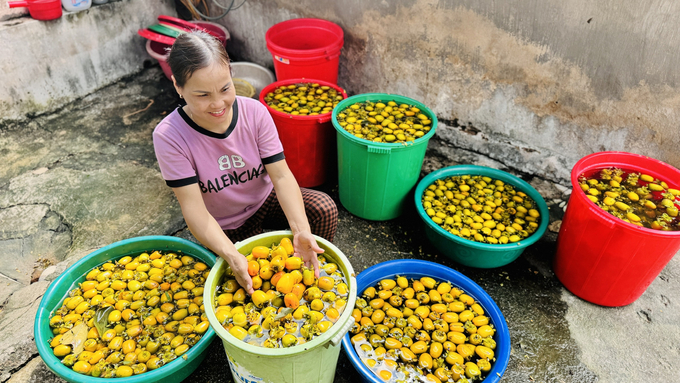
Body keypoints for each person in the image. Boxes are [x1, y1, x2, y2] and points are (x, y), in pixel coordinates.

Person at [152, 31, 338, 295]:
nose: (218, 104)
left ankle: (308, 271)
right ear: (177, 87)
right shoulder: (169, 136)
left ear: (231, 75)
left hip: (263, 201)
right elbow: (194, 210)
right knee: (241, 285)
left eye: (225, 88)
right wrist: (230, 253)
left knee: (323, 208)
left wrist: (301, 231)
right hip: (222, 223)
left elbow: (282, 177)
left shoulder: (255, 113)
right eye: (202, 95)